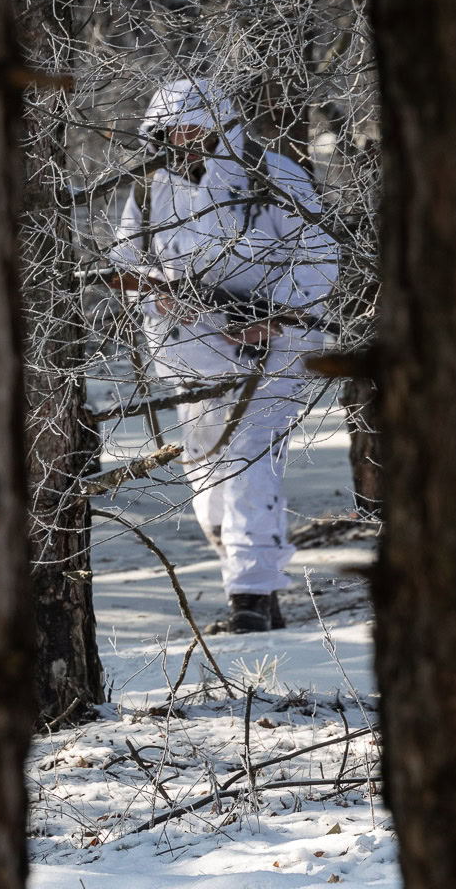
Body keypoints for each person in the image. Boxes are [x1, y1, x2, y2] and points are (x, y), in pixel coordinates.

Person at [108, 79, 337, 633]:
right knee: (207, 466)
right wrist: (160, 295)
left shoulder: (274, 178)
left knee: (248, 459)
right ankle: (248, 579)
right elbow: (124, 265)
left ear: (219, 128)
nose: (184, 140)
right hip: (188, 351)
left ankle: (252, 597)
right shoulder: (148, 189)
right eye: (173, 130)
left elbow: (321, 261)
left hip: (274, 350)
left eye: (195, 128)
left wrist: (273, 318)